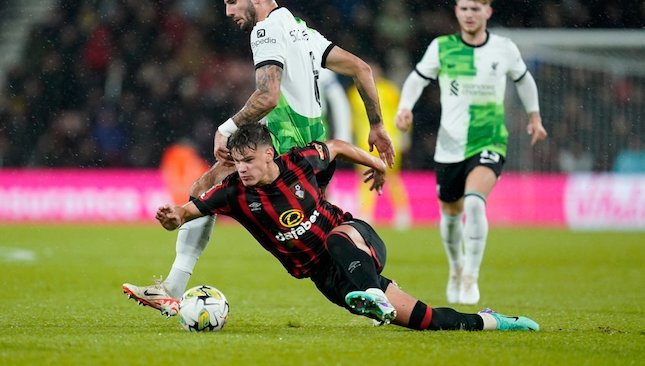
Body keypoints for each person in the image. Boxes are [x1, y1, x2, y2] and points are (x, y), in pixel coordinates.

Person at [123, 0, 395, 316]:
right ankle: (371, 289)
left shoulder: (265, 31)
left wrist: (226, 128)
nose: (228, 12)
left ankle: (172, 289)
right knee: (298, 235)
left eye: (233, 2)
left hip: (285, 147)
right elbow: (362, 68)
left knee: (207, 191)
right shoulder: (301, 30)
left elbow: (267, 96)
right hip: (313, 149)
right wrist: (376, 125)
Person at [156, 123, 540, 332]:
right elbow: (191, 210)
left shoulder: (300, 162)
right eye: (238, 161)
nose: (242, 168)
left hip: (356, 239)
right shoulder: (233, 193)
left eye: (249, 160)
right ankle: (495, 321)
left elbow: (336, 146)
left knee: (336, 240)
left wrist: (374, 164)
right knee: (425, 320)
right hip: (327, 279)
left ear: (269, 153)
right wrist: (175, 217)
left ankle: (371, 292)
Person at [395, 0, 548, 305]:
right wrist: (405, 107)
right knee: (450, 213)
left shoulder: (503, 48)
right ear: (457, 11)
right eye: (464, 8)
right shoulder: (442, 47)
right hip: (450, 145)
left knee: (475, 202)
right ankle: (455, 267)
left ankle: (471, 276)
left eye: (475, 9)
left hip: (489, 139)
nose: (469, 14)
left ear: (487, 11)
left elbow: (524, 81)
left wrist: (534, 116)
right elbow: (417, 79)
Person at [347, 62, 412, 228]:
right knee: (365, 179)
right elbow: (352, 118)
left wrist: (405, 137)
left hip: (389, 142)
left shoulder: (390, 90)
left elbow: (402, 115)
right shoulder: (354, 93)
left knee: (392, 178)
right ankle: (365, 214)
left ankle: (402, 213)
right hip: (364, 143)